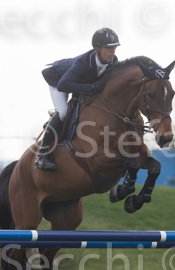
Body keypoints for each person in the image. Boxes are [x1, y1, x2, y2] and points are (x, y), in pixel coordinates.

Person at [35, 27, 120, 171]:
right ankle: (41, 155)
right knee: (63, 112)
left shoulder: (113, 61)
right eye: (108, 48)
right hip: (58, 80)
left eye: (114, 48)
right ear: (97, 49)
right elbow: (63, 85)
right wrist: (91, 88)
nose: (113, 52)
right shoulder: (83, 63)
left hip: (76, 82)